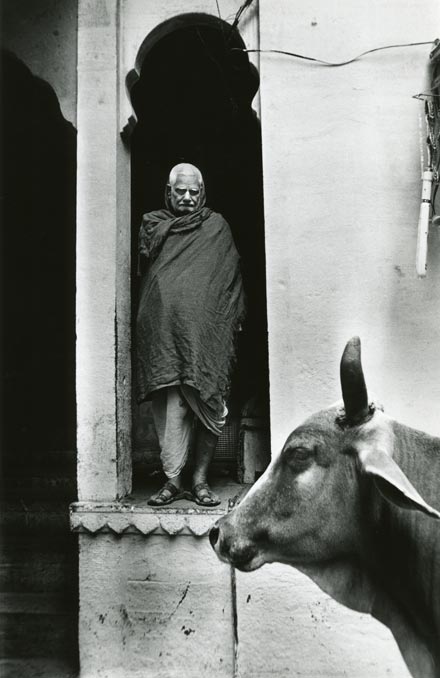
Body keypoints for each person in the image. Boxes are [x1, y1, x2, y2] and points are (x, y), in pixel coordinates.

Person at [136, 163, 245, 506]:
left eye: (193, 192)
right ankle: (172, 481)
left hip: (205, 338)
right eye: (179, 191)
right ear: (168, 193)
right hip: (167, 339)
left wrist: (226, 320)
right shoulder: (153, 225)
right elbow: (150, 277)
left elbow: (229, 279)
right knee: (172, 410)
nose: (186, 197)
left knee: (211, 406)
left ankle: (199, 481)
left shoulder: (216, 227)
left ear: (203, 194)